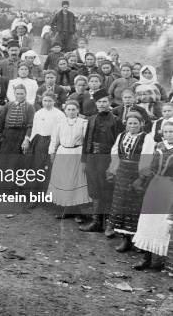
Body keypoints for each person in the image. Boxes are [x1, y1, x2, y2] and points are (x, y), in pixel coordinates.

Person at [107, 112, 155, 252]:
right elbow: (115, 153)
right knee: (120, 205)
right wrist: (113, 170)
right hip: (122, 173)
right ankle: (125, 239)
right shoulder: (121, 135)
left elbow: (147, 159)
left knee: (135, 206)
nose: (132, 126)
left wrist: (141, 178)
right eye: (130, 123)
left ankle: (137, 240)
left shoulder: (147, 138)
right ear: (126, 124)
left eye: (135, 123)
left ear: (141, 124)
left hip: (137, 175)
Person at [80, 89, 123, 235]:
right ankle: (97, 222)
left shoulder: (116, 120)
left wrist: (115, 164)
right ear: (96, 103)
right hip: (92, 158)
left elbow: (119, 144)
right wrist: (84, 160)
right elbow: (86, 140)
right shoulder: (92, 119)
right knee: (94, 189)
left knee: (108, 190)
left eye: (105, 101)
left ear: (109, 103)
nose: (102, 104)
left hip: (107, 160)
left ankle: (110, 225)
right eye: (99, 102)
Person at [131, 121, 173, 271]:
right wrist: (142, 179)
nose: (169, 135)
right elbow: (153, 166)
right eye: (166, 132)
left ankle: (160, 259)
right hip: (155, 186)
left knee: (164, 224)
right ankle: (146, 257)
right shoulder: (160, 146)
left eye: (172, 132)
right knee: (148, 220)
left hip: (169, 188)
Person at [47, 100, 91, 218]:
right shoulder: (59, 123)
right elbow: (54, 140)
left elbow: (87, 141)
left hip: (77, 153)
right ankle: (64, 209)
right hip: (62, 152)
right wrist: (52, 153)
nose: (71, 112)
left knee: (75, 181)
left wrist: (85, 157)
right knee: (64, 180)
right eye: (69, 109)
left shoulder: (83, 123)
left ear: (78, 110)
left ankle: (78, 211)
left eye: (73, 109)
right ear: (65, 111)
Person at [26, 91, 65, 203]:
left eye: (50, 101)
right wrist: (30, 141)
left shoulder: (59, 114)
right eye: (45, 100)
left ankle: (49, 197)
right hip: (39, 142)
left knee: (50, 169)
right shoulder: (38, 113)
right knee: (37, 168)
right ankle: (34, 197)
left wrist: (56, 147)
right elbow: (35, 129)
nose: (47, 103)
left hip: (52, 142)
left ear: (54, 101)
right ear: (41, 101)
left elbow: (60, 132)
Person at [0, 84, 35, 181]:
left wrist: (26, 139)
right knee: (3, 160)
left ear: (25, 94)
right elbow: (1, 120)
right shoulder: (9, 105)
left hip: (20, 136)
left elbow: (30, 125)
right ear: (14, 94)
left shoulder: (29, 107)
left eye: (22, 93)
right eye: (17, 93)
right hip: (7, 136)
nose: (19, 96)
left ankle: (15, 186)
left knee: (17, 162)